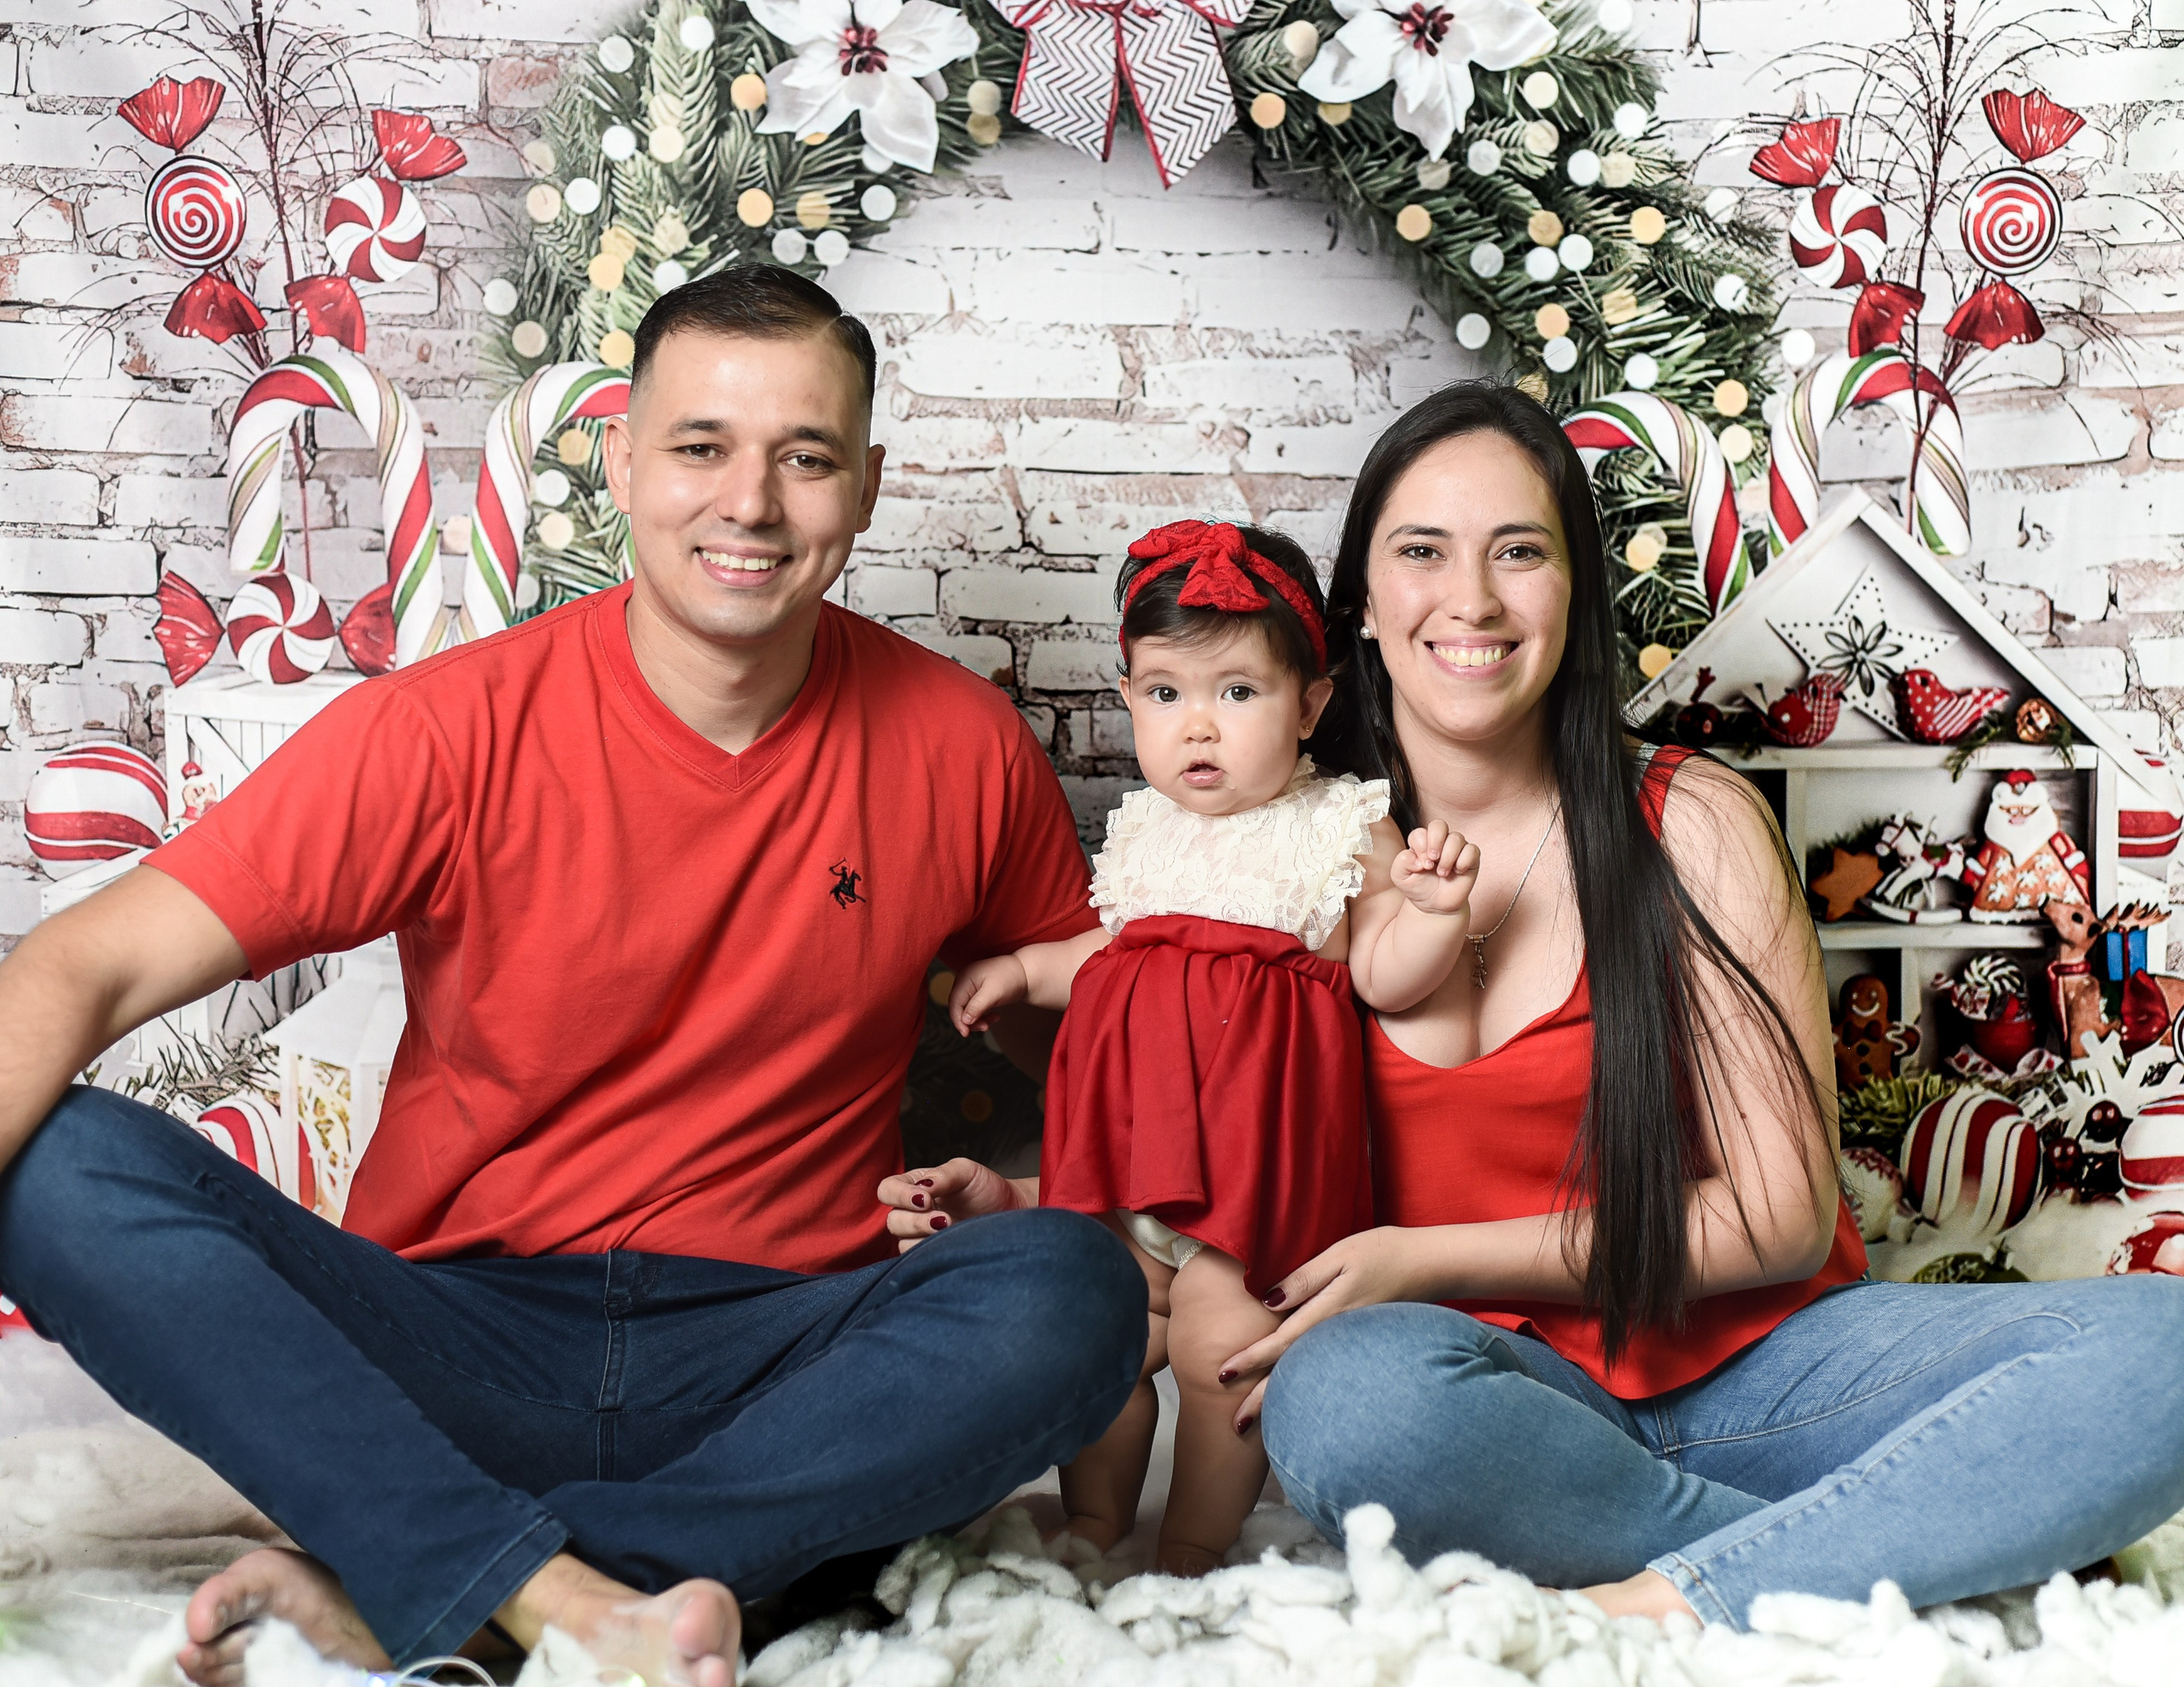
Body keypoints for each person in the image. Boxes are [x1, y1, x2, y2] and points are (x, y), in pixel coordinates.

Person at [0, 266, 1147, 1687]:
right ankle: (558, 1579)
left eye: (805, 457)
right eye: (701, 447)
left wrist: (1118, 1121)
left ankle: (482, 1587)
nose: (751, 502)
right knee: (60, 1154)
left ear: (866, 484)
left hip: (779, 1376)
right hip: (454, 1351)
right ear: (620, 462)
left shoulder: (962, 745)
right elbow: (85, 964)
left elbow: (1114, 1068)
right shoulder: (448, 725)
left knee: (1074, 1287)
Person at [1201, 380, 2184, 1627]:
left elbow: (1777, 1218)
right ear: (1363, 608)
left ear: (1573, 594)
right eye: (1423, 552)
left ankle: (1676, 1593)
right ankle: (1878, 1552)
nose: (1474, 600)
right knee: (1342, 1398)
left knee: (2168, 1349)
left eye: (1521, 551)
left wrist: (1428, 1255)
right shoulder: (1297, 853)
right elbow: (1184, 1120)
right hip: (1490, 1396)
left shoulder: (1691, 818)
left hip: (1764, 1374)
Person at [926, 519, 1478, 1575]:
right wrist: (1029, 971)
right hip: (1129, 1149)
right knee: (1109, 1339)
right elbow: (1116, 942)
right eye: (1166, 694)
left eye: (1237, 693)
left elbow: (1380, 974)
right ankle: (1093, 1521)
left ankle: (1192, 1543)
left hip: (1250, 1163)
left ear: (1311, 702)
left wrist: (1437, 915)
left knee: (1213, 1345)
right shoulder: (1146, 827)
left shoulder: (1340, 821)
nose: (1199, 729)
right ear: (1129, 696)